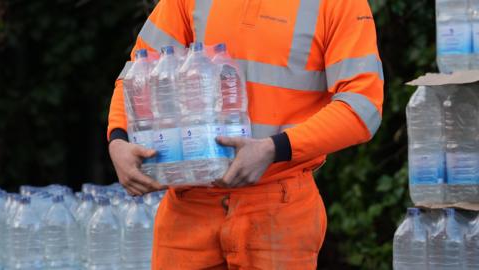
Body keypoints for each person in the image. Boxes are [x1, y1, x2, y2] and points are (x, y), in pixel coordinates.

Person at [107, 0, 383, 269]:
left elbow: (362, 108)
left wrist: (273, 148)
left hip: (279, 209)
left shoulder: (341, 4)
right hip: (189, 207)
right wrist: (118, 139)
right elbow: (138, 71)